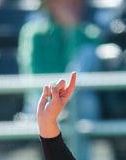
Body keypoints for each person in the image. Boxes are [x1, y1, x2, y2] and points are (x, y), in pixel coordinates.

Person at [18, 0, 101, 128]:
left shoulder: (90, 34)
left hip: (76, 104)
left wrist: (71, 31)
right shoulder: (34, 33)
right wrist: (57, 98)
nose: (72, 5)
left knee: (86, 103)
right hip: (43, 99)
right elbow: (35, 74)